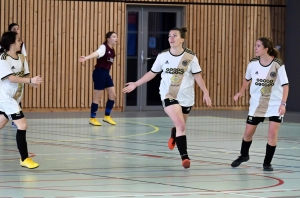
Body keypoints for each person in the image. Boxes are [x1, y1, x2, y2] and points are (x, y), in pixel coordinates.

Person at [123, 27, 212, 169]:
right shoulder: (163, 56)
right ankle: (185, 157)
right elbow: (152, 73)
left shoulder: (190, 57)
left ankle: (174, 133)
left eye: (174, 35)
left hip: (186, 97)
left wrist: (205, 92)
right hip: (168, 94)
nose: (171, 38)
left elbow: (197, 76)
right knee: (181, 126)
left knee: (180, 126)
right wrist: (136, 84)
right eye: (169, 35)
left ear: (182, 39)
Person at [231, 37, 289, 171]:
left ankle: (267, 163)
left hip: (274, 105)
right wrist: (240, 92)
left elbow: (286, 86)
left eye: (258, 46)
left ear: (266, 49)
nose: (255, 48)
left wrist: (283, 104)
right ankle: (244, 155)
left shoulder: (278, 65)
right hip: (256, 105)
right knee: (248, 133)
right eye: (255, 46)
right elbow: (247, 80)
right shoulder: (252, 64)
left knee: (272, 134)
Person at [0, 31, 43, 169]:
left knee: (0, 123)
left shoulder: (22, 58)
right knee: (22, 125)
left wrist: (33, 82)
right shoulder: (3, 59)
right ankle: (24, 159)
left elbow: (26, 75)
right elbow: (11, 78)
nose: (21, 42)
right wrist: (29, 80)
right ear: (11, 42)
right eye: (18, 40)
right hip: (5, 98)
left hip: (16, 98)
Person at [78, 32, 118, 126]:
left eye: (116, 37)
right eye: (114, 36)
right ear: (108, 39)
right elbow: (97, 53)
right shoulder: (103, 47)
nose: (116, 38)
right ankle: (92, 118)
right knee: (98, 97)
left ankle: (107, 116)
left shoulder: (112, 50)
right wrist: (86, 57)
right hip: (99, 73)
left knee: (113, 95)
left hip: (106, 74)